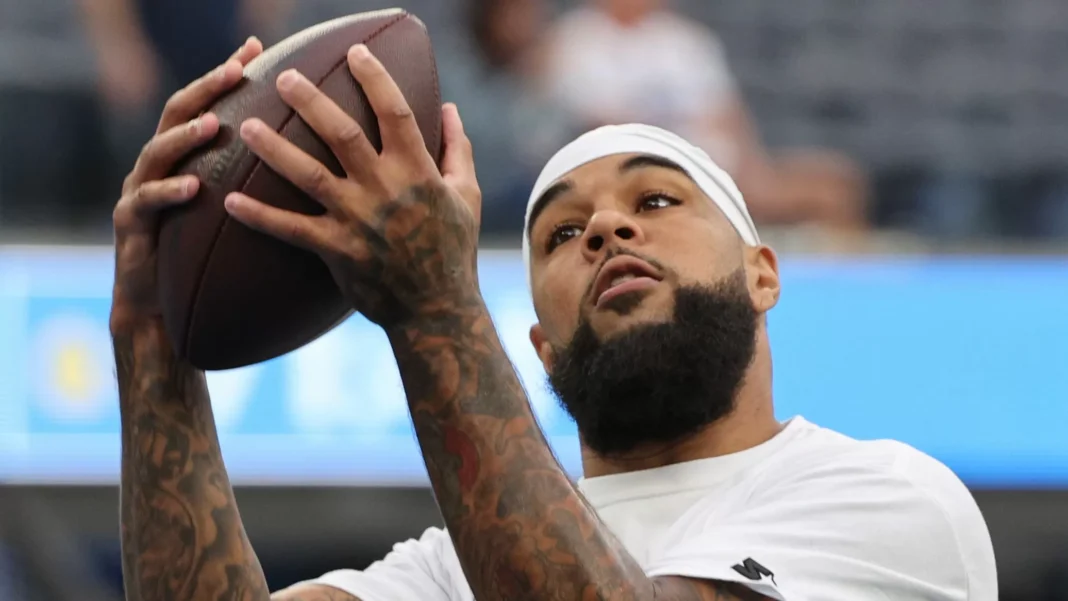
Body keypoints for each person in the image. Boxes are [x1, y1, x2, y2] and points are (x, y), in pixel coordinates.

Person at [110, 37, 997, 601]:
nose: (607, 228)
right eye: (563, 234)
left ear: (762, 275)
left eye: (655, 200)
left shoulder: (888, 498)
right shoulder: (449, 566)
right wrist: (155, 350)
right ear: (539, 345)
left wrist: (432, 306)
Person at [543, 0, 869, 237]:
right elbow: (597, 126)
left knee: (835, 186)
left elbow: (728, 115)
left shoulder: (686, 40)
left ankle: (833, 293)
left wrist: (754, 171)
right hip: (640, 176)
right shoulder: (577, 39)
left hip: (718, 169)